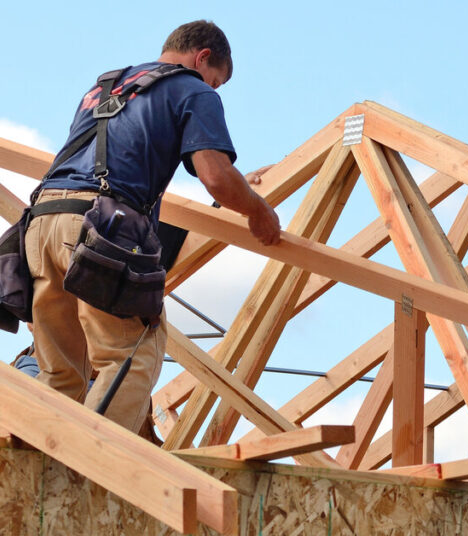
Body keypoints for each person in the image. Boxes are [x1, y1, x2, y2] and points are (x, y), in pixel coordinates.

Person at [26, 20, 280, 439]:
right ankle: (94, 468)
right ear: (202, 59)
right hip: (100, 226)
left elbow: (119, 162)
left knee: (63, 372)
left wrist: (229, 195)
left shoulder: (107, 86)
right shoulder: (193, 90)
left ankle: (48, 474)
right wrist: (256, 211)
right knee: (133, 353)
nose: (212, 91)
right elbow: (215, 175)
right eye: (215, 81)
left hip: (43, 223)